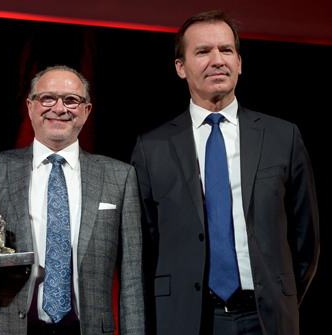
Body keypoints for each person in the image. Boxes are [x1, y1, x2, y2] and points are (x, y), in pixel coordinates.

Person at [130, 10, 319, 335]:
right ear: (180, 67)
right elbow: (144, 250)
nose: (217, 60)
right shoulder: (151, 148)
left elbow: (306, 239)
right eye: (203, 51)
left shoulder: (282, 136)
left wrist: (280, 295)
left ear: (240, 63)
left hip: (266, 317)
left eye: (226, 50)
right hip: (188, 320)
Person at [0, 65, 145, 334]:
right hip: (6, 327)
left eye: (71, 100)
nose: (59, 108)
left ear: (86, 111)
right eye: (47, 98)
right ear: (31, 106)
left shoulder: (120, 176)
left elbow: (133, 278)